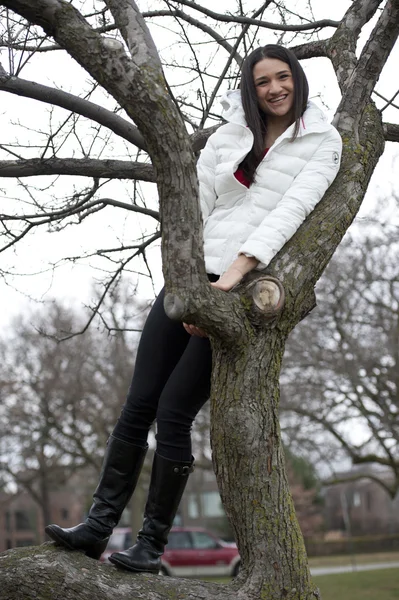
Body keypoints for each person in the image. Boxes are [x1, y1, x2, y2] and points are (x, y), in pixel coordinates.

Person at [45, 44, 342, 573]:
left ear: (297, 78)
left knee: (173, 412)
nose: (274, 89)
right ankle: (97, 527)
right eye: (261, 82)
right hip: (190, 277)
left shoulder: (323, 141)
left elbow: (290, 214)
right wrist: (185, 276)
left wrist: (226, 286)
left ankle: (150, 546)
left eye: (282, 78)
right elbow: (193, 201)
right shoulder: (229, 134)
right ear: (250, 90)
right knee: (137, 405)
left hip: (240, 287)